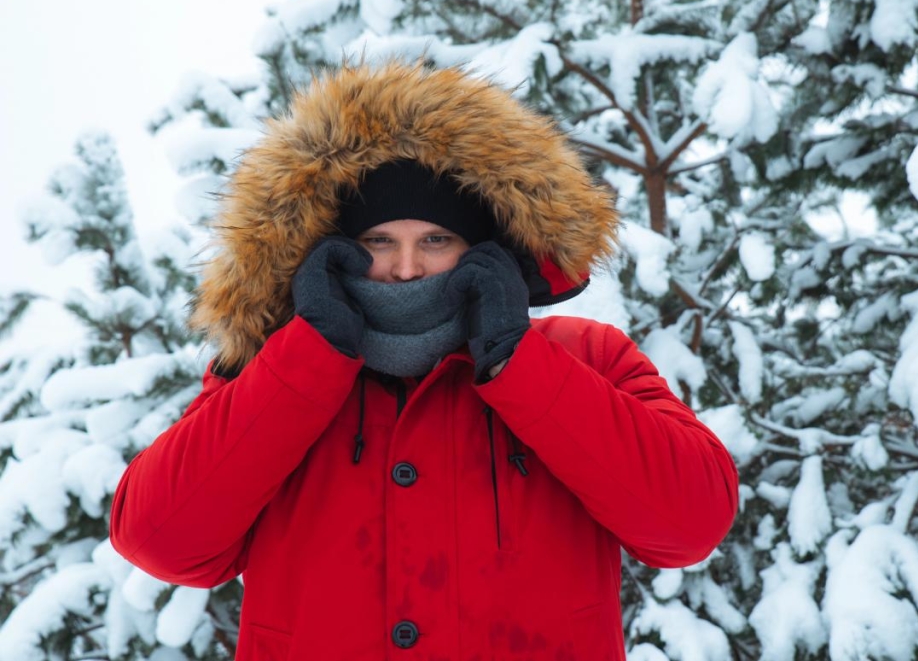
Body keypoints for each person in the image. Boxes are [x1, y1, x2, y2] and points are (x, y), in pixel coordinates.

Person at [109, 61, 739, 661]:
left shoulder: (589, 356)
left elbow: (691, 524)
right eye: (378, 241)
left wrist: (520, 364)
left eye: (436, 240)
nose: (406, 268)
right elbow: (161, 541)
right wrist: (308, 358)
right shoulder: (268, 372)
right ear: (329, 250)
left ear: (483, 249)